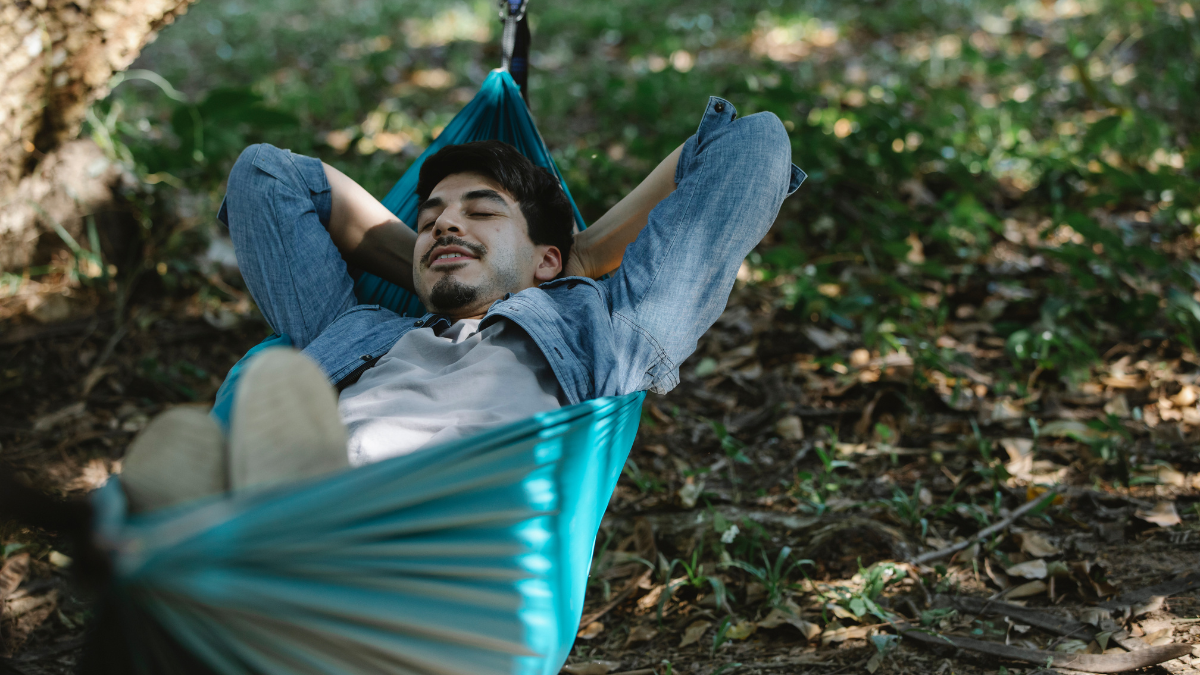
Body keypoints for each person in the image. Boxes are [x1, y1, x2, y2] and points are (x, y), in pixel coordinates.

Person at [119, 97, 805, 512]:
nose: (446, 223)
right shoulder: (355, 332)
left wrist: (584, 257)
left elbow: (753, 144)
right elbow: (265, 178)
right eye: (430, 219)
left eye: (481, 211)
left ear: (547, 261)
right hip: (290, 525)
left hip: (441, 557)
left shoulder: (605, 333)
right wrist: (434, 265)